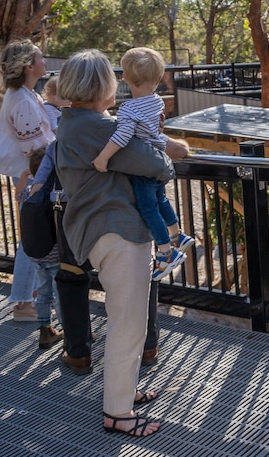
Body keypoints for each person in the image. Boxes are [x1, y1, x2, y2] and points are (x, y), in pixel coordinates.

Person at [55, 49, 188, 437]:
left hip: (103, 228)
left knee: (127, 318)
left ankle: (123, 395)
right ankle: (117, 412)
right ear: (101, 86)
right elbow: (155, 166)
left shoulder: (77, 122)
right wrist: (166, 154)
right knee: (128, 323)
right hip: (117, 230)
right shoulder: (97, 126)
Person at [91, 47, 192, 282]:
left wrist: (103, 157)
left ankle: (166, 253)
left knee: (148, 209)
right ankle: (178, 235)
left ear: (124, 78)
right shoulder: (156, 102)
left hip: (143, 165)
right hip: (158, 160)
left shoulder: (128, 109)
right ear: (158, 80)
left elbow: (123, 135)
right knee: (160, 200)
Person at [0, 40, 56, 322]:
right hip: (34, 175)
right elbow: (35, 150)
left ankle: (31, 297)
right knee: (32, 239)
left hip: (33, 174)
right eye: (40, 57)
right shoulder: (23, 101)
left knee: (35, 237)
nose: (44, 61)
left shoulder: (25, 95)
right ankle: (23, 303)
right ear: (28, 65)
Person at [21, 145, 62, 349]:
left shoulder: (29, 192)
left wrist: (25, 174)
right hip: (55, 254)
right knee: (61, 293)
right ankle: (70, 330)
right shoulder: (53, 193)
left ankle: (45, 330)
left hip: (37, 255)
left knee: (44, 293)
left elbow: (17, 194)